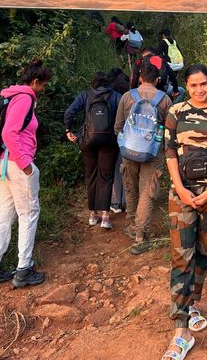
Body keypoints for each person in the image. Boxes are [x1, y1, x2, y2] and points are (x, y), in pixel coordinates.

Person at [161, 64, 207, 360]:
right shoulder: (175, 112)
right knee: (182, 255)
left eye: (203, 84)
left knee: (204, 251)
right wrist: (180, 189)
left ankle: (192, 302)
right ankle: (181, 332)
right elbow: (168, 153)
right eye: (193, 85)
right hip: (181, 195)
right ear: (186, 87)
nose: (200, 90)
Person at [0, 59, 51, 289]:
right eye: (42, 85)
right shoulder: (24, 99)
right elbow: (10, 132)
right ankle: (24, 269)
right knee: (29, 214)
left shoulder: (11, 96)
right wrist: (26, 164)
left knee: (5, 216)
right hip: (17, 164)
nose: (43, 90)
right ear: (34, 82)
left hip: (3, 163)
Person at [114, 61, 172, 254]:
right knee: (147, 192)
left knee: (131, 189)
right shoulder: (164, 100)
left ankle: (131, 225)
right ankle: (141, 235)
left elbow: (118, 127)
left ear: (140, 78)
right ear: (157, 79)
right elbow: (169, 131)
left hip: (129, 152)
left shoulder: (127, 97)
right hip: (152, 154)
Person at [64, 72, 121, 229]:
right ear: (108, 83)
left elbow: (70, 112)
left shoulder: (85, 95)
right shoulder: (116, 96)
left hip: (88, 141)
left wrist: (69, 130)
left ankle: (92, 214)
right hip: (109, 141)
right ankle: (105, 216)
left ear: (93, 83)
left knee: (91, 175)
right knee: (106, 176)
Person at [108, 68, 130, 214]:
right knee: (124, 169)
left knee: (113, 171)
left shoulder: (108, 96)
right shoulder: (125, 98)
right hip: (123, 139)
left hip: (106, 138)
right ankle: (125, 201)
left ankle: (114, 202)